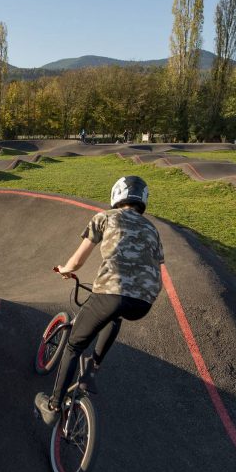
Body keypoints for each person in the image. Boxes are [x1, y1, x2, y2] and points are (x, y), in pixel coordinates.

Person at [34, 176, 164, 426]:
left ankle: (53, 406)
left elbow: (77, 260)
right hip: (143, 302)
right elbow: (156, 266)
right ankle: (91, 371)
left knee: (73, 346)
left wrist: (65, 270)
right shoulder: (152, 229)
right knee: (115, 315)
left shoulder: (105, 217)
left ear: (117, 194)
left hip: (111, 292)